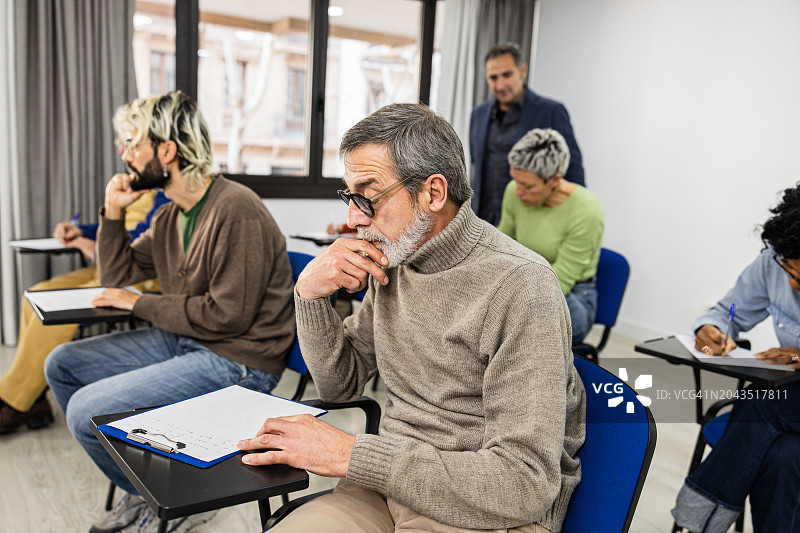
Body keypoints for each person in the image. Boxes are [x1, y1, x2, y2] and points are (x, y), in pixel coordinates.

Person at [237, 103, 586, 533]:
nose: (352, 220)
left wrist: (352, 455)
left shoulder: (522, 287)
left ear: (433, 194)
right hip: (386, 488)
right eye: (350, 197)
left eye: (367, 196)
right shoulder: (398, 260)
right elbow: (339, 385)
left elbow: (522, 484)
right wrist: (308, 295)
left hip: (486, 513)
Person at [44, 91, 295, 533]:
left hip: (238, 359)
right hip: (188, 340)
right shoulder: (169, 216)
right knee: (62, 364)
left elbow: (228, 317)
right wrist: (113, 215)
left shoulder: (236, 209)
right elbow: (118, 275)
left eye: (132, 144)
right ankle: (148, 490)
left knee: (85, 412)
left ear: (166, 151)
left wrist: (140, 303)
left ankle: (174, 503)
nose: (124, 155)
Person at [671, 183, 800, 533]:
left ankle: (694, 520)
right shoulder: (773, 259)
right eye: (790, 269)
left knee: (760, 402)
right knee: (783, 458)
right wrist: (709, 328)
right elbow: (725, 313)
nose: (793, 286)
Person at [0, 190, 168, 434]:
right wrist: (81, 232)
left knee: (55, 313)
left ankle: (15, 401)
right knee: (36, 297)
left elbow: (137, 246)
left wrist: (82, 243)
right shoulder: (142, 187)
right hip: (104, 267)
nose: (126, 156)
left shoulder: (168, 194)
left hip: (135, 275)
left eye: (131, 149)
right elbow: (118, 229)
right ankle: (33, 397)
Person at [498, 129, 604, 345]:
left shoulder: (587, 211)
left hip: (571, 294)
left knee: (520, 334)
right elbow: (500, 246)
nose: (518, 192)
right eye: (516, 181)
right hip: (525, 281)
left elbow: (560, 281)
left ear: (555, 179)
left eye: (527, 186)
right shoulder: (514, 192)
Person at [470, 42, 585, 226]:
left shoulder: (551, 111)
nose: (500, 85)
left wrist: (571, 221)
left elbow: (573, 171)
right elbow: (477, 168)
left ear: (522, 71)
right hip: (484, 218)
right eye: (493, 77)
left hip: (532, 220)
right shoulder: (479, 114)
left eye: (506, 75)